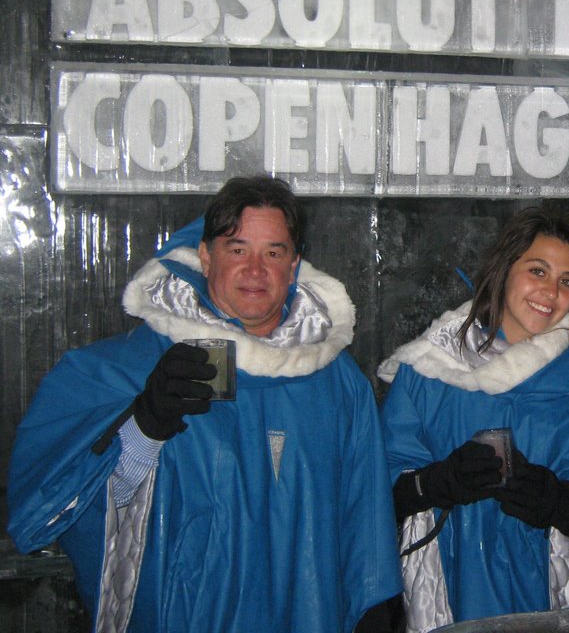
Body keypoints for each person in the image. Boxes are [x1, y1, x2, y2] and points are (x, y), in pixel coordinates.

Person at [7, 176, 402, 633]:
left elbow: (364, 520)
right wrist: (143, 427)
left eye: (273, 253)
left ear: (293, 266)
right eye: (237, 249)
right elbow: (64, 512)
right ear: (205, 255)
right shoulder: (121, 370)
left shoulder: (337, 382)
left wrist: (374, 613)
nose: (256, 270)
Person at [377, 206, 569, 632]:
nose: (550, 291)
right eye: (538, 271)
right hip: (445, 604)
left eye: (567, 281)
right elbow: (374, 492)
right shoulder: (428, 372)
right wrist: (432, 484)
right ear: (505, 268)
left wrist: (567, 507)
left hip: (550, 602)